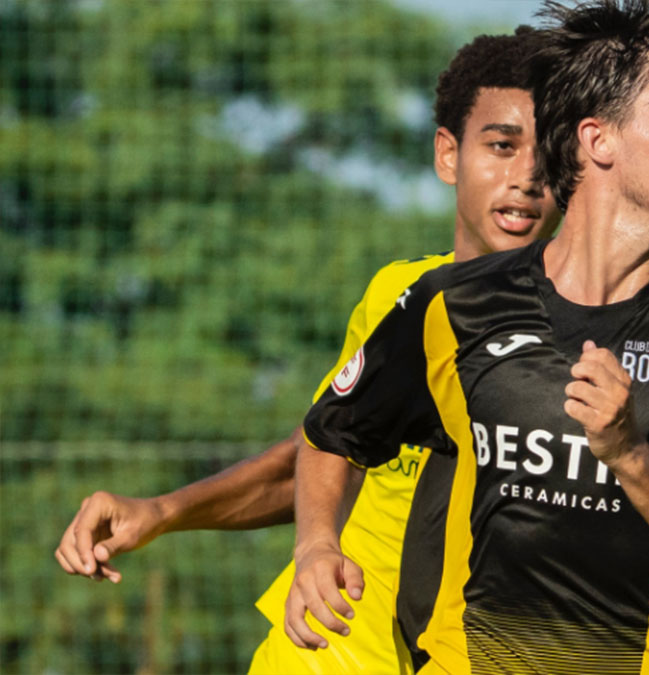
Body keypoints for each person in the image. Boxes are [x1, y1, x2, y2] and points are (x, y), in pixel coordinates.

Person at [288, 1, 649, 673]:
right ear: (600, 141)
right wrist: (314, 544)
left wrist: (632, 456)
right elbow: (331, 432)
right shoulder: (452, 304)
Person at [52, 28, 560, 674]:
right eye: (502, 146)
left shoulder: (602, 333)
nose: (526, 178)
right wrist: (160, 511)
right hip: (328, 648)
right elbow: (323, 452)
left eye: (547, 156)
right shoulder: (395, 296)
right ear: (448, 155)